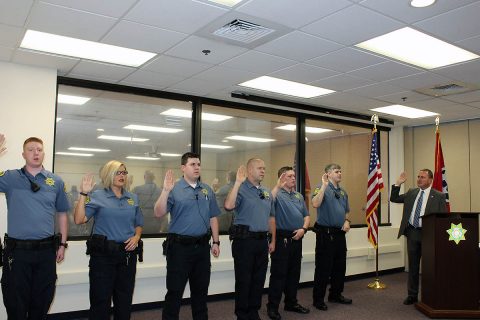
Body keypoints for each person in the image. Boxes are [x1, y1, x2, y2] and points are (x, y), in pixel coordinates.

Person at [0, 135, 69, 319]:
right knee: (15, 303)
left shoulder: (55, 181)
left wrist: (62, 244)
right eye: (30, 149)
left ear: (43, 153)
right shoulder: (10, 177)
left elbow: (62, 213)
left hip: (46, 252)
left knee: (42, 301)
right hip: (18, 253)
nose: (35, 153)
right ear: (24, 154)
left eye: (39, 149)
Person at [154, 152, 221, 320]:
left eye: (198, 164)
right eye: (193, 164)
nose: (197, 167)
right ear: (183, 168)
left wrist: (216, 241)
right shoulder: (174, 189)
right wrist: (165, 191)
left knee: (200, 291)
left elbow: (213, 216)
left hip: (202, 248)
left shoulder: (206, 189)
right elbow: (158, 212)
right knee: (175, 291)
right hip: (179, 249)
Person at [74, 160, 144, 320]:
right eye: (118, 172)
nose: (122, 176)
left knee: (124, 301)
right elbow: (79, 219)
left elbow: (139, 223)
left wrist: (137, 236)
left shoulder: (132, 198)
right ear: (108, 175)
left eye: (124, 172)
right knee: (100, 301)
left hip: (127, 256)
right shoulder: (98, 196)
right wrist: (83, 194)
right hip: (103, 257)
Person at [224, 158, 276, 320]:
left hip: (262, 241)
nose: (263, 171)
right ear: (250, 170)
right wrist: (238, 183)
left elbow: (271, 218)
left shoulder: (266, 192)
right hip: (244, 241)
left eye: (264, 168)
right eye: (259, 168)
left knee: (258, 279)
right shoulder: (240, 188)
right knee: (244, 279)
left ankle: (253, 311)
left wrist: (273, 240)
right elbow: (228, 206)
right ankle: (241, 313)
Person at [390, 169, 447, 305]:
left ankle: (430, 295)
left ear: (430, 180)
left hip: (429, 235)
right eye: (418, 176)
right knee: (413, 266)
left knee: (429, 267)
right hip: (413, 232)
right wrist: (398, 184)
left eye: (423, 177)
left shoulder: (438, 196)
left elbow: (442, 217)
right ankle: (412, 295)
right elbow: (394, 199)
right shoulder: (412, 192)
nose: (419, 179)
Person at [267, 166, 310, 320]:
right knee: (279, 275)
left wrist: (303, 229)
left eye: (294, 176)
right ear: (282, 177)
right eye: (290, 176)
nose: (293, 178)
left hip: (297, 237)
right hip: (281, 239)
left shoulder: (298, 196)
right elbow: (267, 203)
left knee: (294, 274)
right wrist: (277, 186)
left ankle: (291, 303)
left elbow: (306, 216)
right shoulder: (276, 194)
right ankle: (272, 307)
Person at [311, 163, 352, 311]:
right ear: (328, 174)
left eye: (340, 171)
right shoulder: (321, 188)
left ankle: (335, 294)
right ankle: (318, 299)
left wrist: (347, 221)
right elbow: (315, 203)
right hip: (325, 235)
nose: (340, 174)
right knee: (323, 268)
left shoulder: (343, 192)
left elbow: (347, 211)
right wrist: (323, 185)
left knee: (340, 267)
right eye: (336, 171)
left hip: (340, 235)